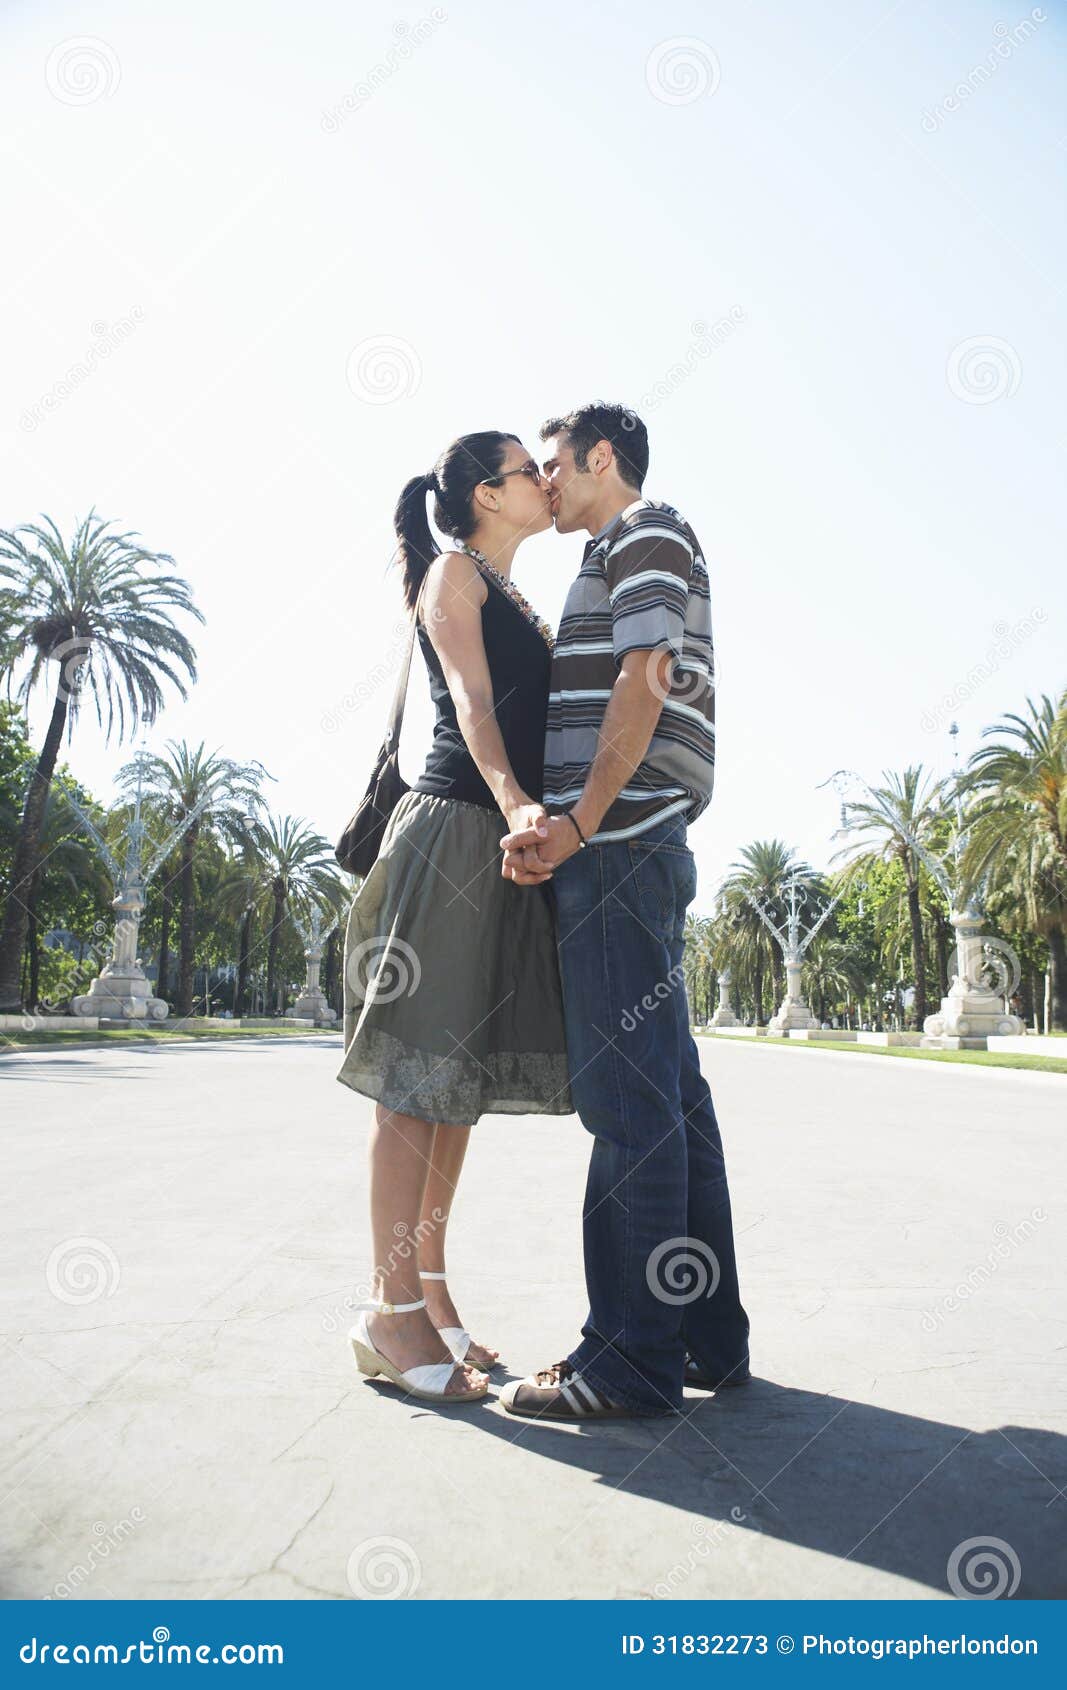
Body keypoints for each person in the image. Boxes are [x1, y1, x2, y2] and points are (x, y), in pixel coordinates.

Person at [498, 402, 750, 1421]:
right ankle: (702, 1334)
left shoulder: (639, 532)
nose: (547, 481)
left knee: (628, 1107)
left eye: (555, 462)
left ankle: (628, 1360)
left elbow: (643, 680)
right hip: (634, 845)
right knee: (671, 1097)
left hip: (615, 847)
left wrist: (575, 822)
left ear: (603, 458)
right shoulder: (629, 545)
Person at [338, 430, 573, 1405]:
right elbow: (473, 704)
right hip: (455, 831)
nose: (544, 480)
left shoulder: (514, 590)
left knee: (455, 1084)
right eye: (528, 469)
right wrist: (519, 801)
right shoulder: (452, 574)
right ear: (486, 492)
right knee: (415, 1074)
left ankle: (429, 1298)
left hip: (502, 838)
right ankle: (387, 1313)